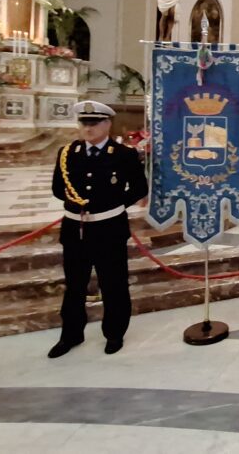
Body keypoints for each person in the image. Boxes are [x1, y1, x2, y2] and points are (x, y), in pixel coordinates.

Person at [48, 100, 148, 358]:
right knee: (75, 285)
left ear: (107, 124)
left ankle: (114, 333)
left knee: (113, 283)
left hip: (110, 228)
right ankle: (70, 334)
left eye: (94, 123)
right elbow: (59, 189)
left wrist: (113, 205)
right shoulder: (67, 153)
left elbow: (139, 189)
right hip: (75, 228)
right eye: (84, 123)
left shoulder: (124, 155)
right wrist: (79, 205)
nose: (88, 129)